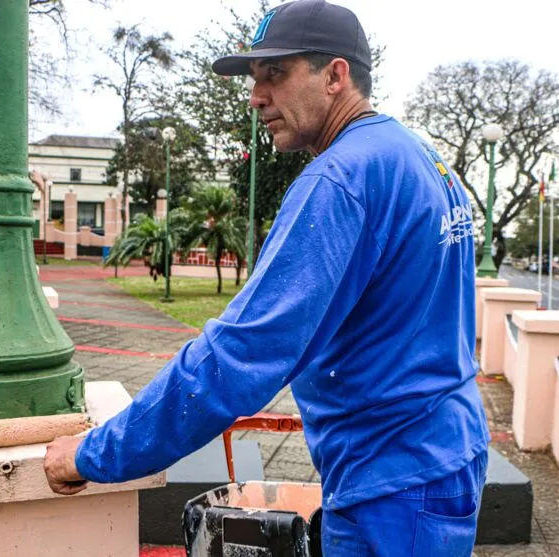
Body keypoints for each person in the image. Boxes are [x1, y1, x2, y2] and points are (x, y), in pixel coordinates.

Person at [44, 1, 489, 554]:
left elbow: (241, 355)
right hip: (445, 450)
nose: (257, 97)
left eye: (275, 74)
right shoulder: (419, 156)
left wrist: (93, 453)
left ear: (335, 75)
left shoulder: (340, 179)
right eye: (255, 79)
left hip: (390, 478)